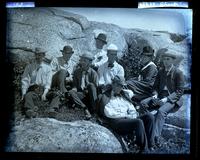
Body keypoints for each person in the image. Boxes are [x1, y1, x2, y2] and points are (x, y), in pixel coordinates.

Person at [97, 76, 155, 153]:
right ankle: (143, 149)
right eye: (119, 85)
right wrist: (126, 117)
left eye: (122, 86)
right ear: (113, 84)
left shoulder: (124, 94)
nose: (120, 88)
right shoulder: (105, 96)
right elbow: (108, 113)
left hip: (127, 119)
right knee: (138, 122)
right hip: (116, 122)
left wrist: (132, 115)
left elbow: (131, 108)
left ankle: (151, 145)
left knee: (150, 116)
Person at [143, 50, 185, 145]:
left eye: (168, 59)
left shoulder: (178, 73)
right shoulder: (161, 71)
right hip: (160, 96)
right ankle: (144, 127)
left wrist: (166, 99)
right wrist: (155, 95)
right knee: (143, 103)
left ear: (173, 61)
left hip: (173, 99)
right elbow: (155, 87)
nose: (165, 61)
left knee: (161, 111)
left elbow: (180, 91)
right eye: (164, 59)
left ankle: (154, 139)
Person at [21, 47, 53, 117]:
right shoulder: (29, 67)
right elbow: (25, 80)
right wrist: (23, 93)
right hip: (33, 90)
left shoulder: (48, 68)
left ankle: (52, 110)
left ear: (44, 56)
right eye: (36, 55)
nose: (37, 57)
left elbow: (48, 82)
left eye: (40, 55)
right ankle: (31, 110)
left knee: (56, 95)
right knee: (28, 95)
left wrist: (44, 93)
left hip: (44, 90)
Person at [68, 52, 99, 119]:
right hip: (81, 94)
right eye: (81, 60)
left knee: (91, 85)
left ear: (90, 63)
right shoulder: (77, 72)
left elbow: (95, 88)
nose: (82, 62)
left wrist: (88, 88)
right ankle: (85, 108)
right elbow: (75, 86)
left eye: (84, 61)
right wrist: (74, 90)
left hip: (91, 95)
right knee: (71, 92)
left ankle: (95, 110)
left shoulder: (94, 73)